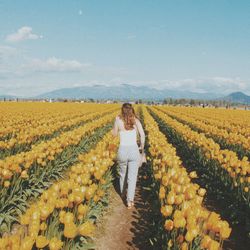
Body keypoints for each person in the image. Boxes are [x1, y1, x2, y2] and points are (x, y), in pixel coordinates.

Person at [112, 103, 145, 209]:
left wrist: (116, 126)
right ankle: (130, 201)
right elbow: (143, 135)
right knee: (132, 177)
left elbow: (114, 134)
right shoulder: (136, 121)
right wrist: (142, 147)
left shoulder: (118, 120)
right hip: (134, 151)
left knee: (122, 174)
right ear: (132, 110)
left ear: (122, 110)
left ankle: (122, 193)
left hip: (122, 150)